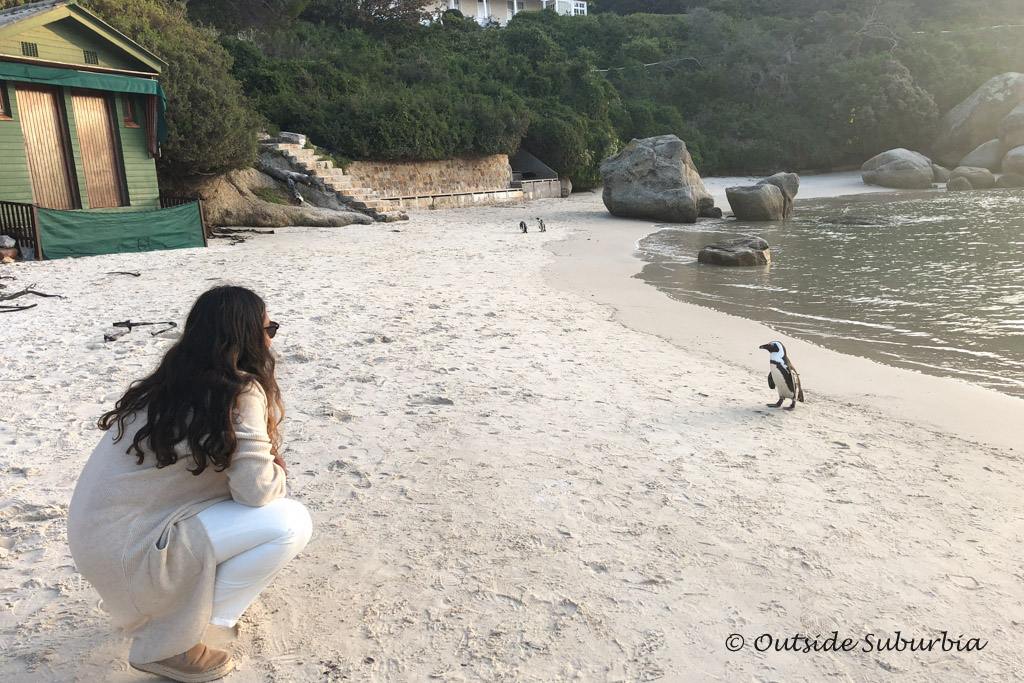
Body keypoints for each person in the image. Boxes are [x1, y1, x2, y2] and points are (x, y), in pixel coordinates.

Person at [67, 286, 312, 682]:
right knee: (290, 521)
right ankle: (174, 639)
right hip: (132, 552)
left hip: (100, 544)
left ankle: (178, 612)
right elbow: (256, 490)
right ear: (249, 337)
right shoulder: (239, 389)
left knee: (260, 514)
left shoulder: (169, 383)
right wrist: (278, 470)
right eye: (270, 329)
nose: (271, 339)